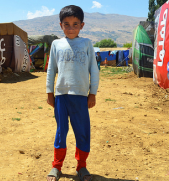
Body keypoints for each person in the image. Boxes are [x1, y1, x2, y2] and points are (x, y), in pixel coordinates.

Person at [46, 5, 99, 181]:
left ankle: (82, 166)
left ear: (82, 25)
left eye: (75, 24)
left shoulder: (86, 43)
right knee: (61, 131)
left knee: (82, 131)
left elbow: (94, 68)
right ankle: (56, 167)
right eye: (66, 24)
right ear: (61, 25)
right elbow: (51, 70)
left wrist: (92, 93)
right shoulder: (56, 44)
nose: (71, 28)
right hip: (61, 96)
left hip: (81, 96)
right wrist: (49, 92)